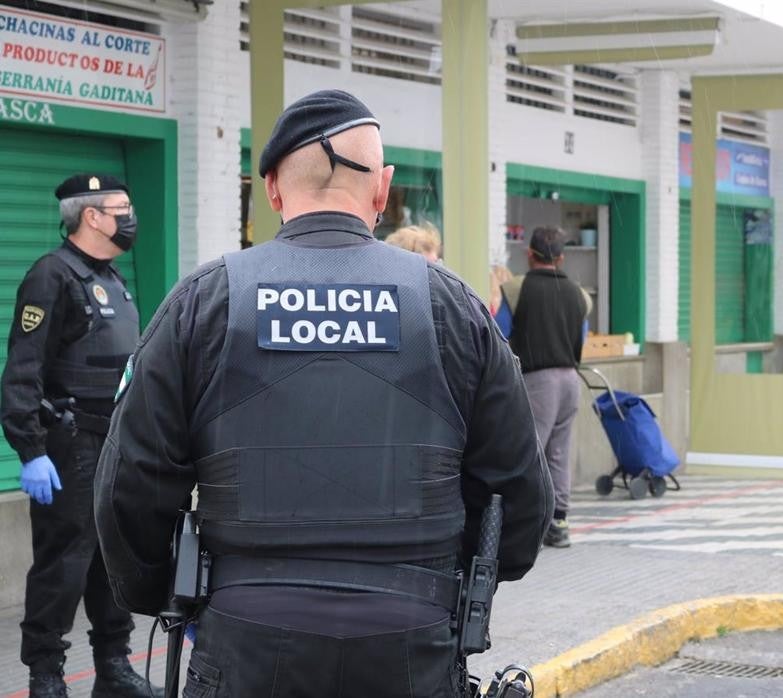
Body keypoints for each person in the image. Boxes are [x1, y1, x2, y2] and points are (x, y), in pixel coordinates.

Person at [94, 90, 553, 697]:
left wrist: (180, 592)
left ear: (274, 191)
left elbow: (129, 490)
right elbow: (520, 495)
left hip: (244, 644)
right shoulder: (451, 305)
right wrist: (439, 585)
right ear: (382, 190)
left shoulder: (203, 303)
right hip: (413, 646)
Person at [0, 174, 156, 698]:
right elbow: (23, 370)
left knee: (111, 559)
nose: (130, 217)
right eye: (122, 207)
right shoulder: (51, 277)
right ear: (92, 216)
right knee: (63, 565)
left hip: (114, 444)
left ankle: (113, 669)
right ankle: (45, 674)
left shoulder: (112, 277)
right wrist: (31, 449)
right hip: (69, 447)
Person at [500, 228, 592, 549]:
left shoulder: (515, 289)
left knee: (531, 451)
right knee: (559, 452)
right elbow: (583, 336)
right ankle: (559, 522)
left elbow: (499, 335)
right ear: (562, 257)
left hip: (537, 381)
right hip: (570, 380)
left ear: (529, 253)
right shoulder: (579, 294)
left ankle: (529, 525)